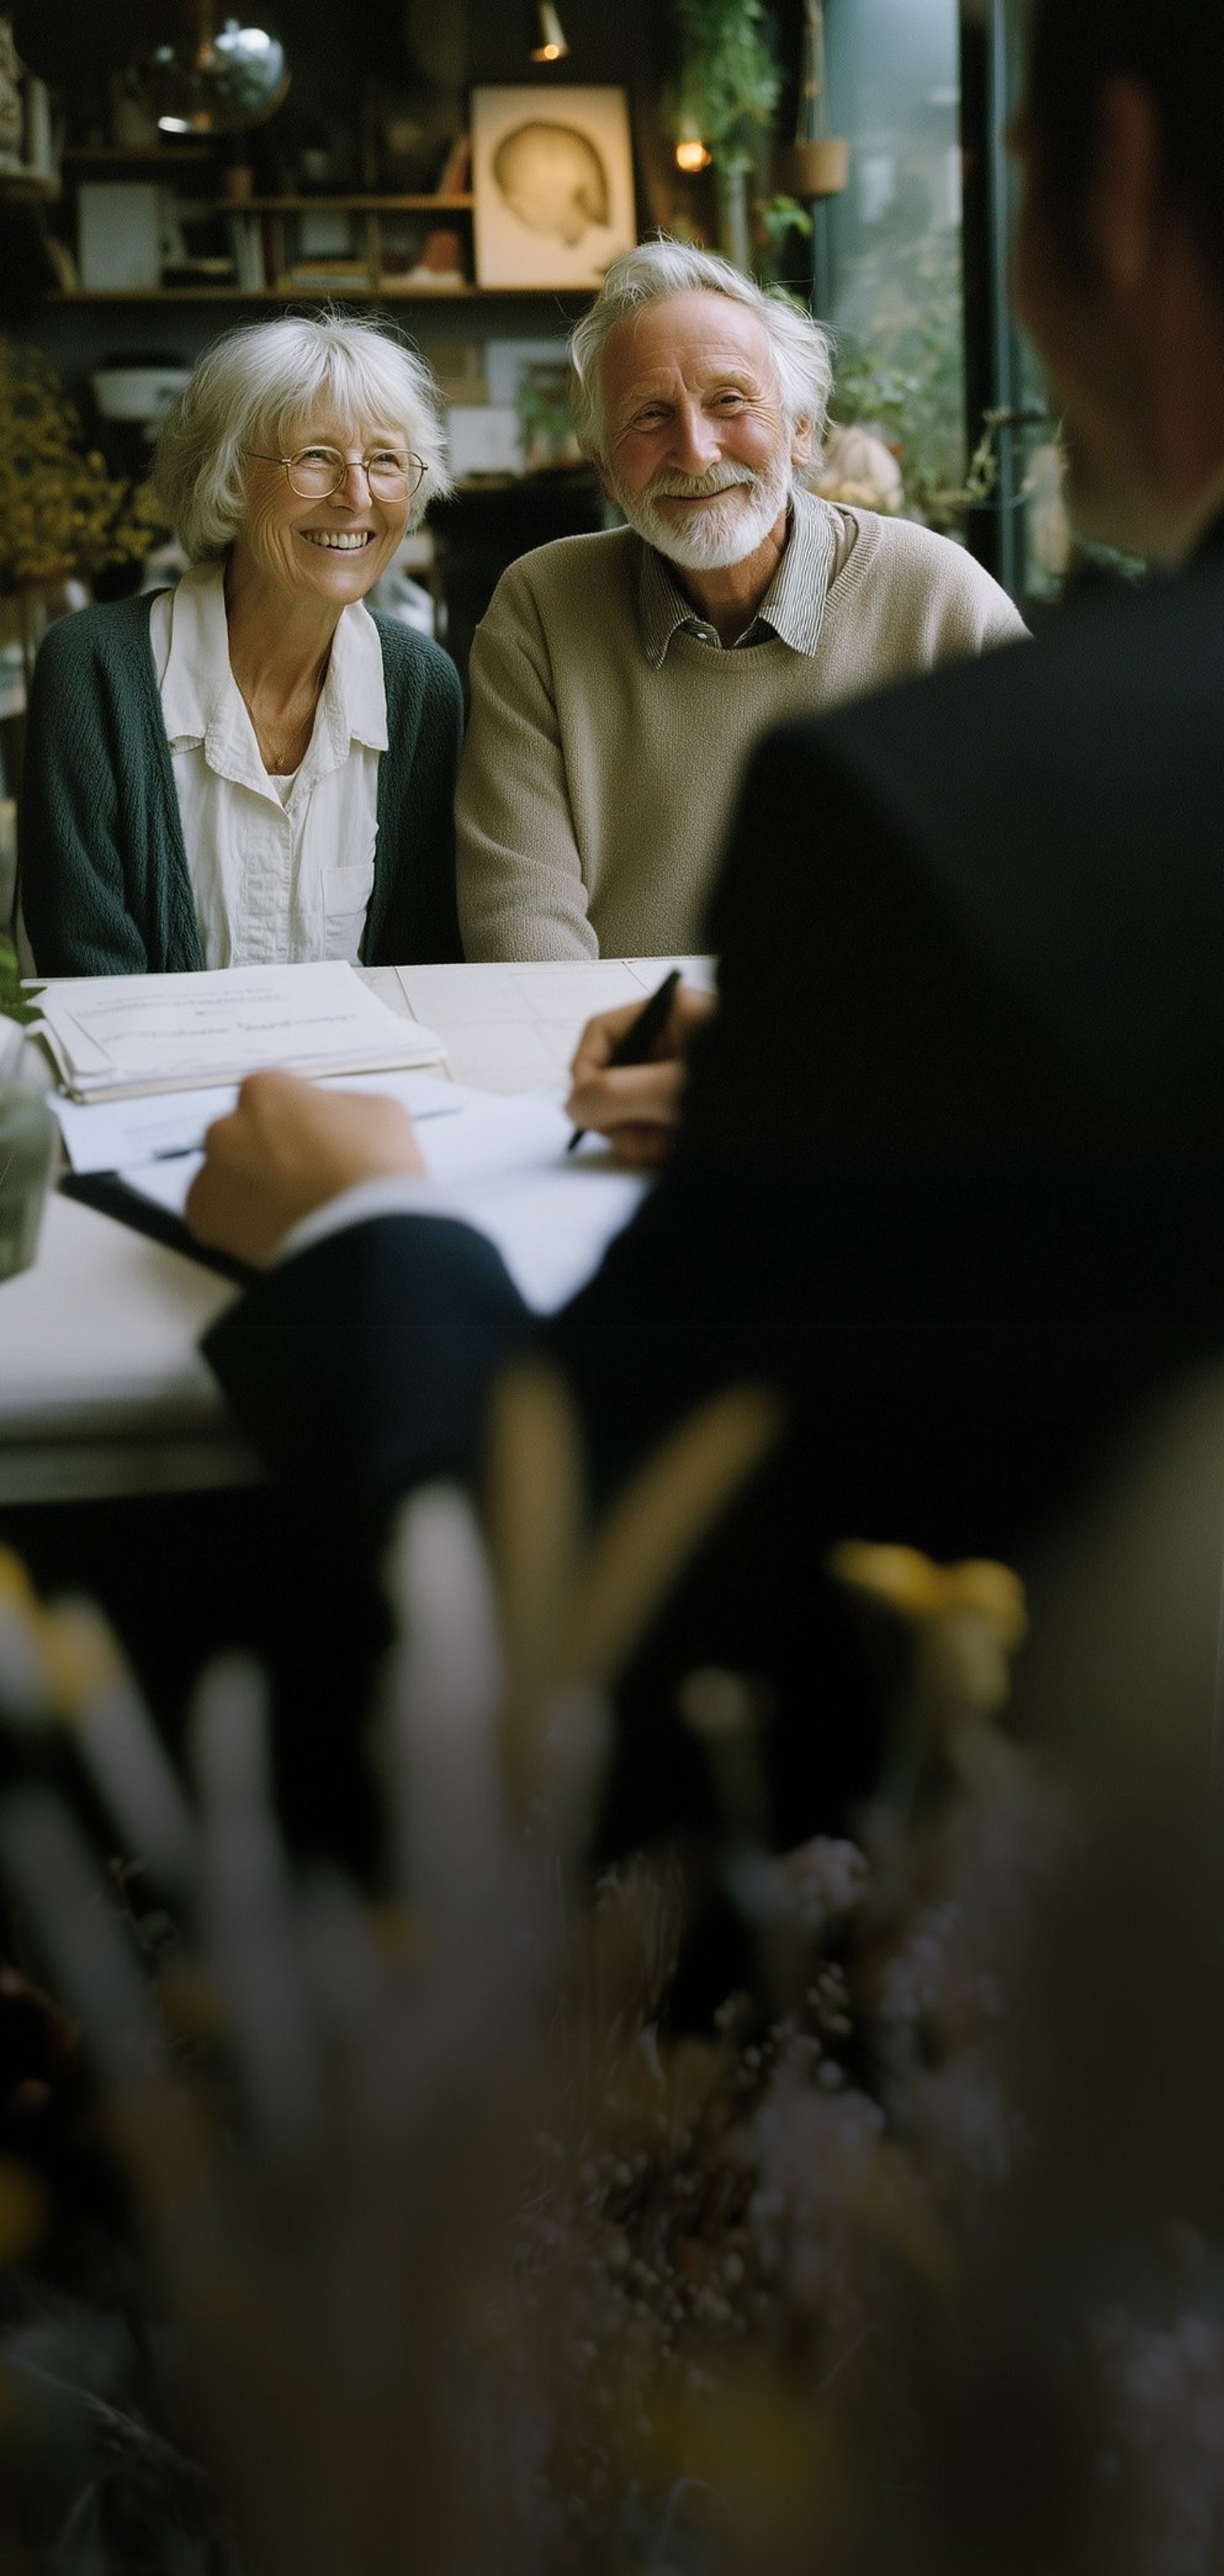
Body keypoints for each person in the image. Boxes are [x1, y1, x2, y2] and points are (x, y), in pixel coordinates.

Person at [184, 0, 1224, 1859]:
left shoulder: (964, 775)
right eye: (642, 414)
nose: (690, 443)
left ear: (1119, 190)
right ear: (593, 449)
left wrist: (361, 1222)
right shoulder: (561, 620)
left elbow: (586, 1592)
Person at [455, 237, 1025, 960]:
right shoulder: (539, 608)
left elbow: (1035, 889)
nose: (695, 452)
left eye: (729, 401)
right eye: (650, 416)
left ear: (800, 432)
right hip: (611, 1051)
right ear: (604, 470)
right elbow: (521, 920)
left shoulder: (941, 600)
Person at [20, 316, 463, 976]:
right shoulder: (93, 669)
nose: (358, 495)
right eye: (315, 457)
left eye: (386, 460)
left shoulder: (420, 686)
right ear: (226, 477)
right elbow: (86, 973)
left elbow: (419, 971)